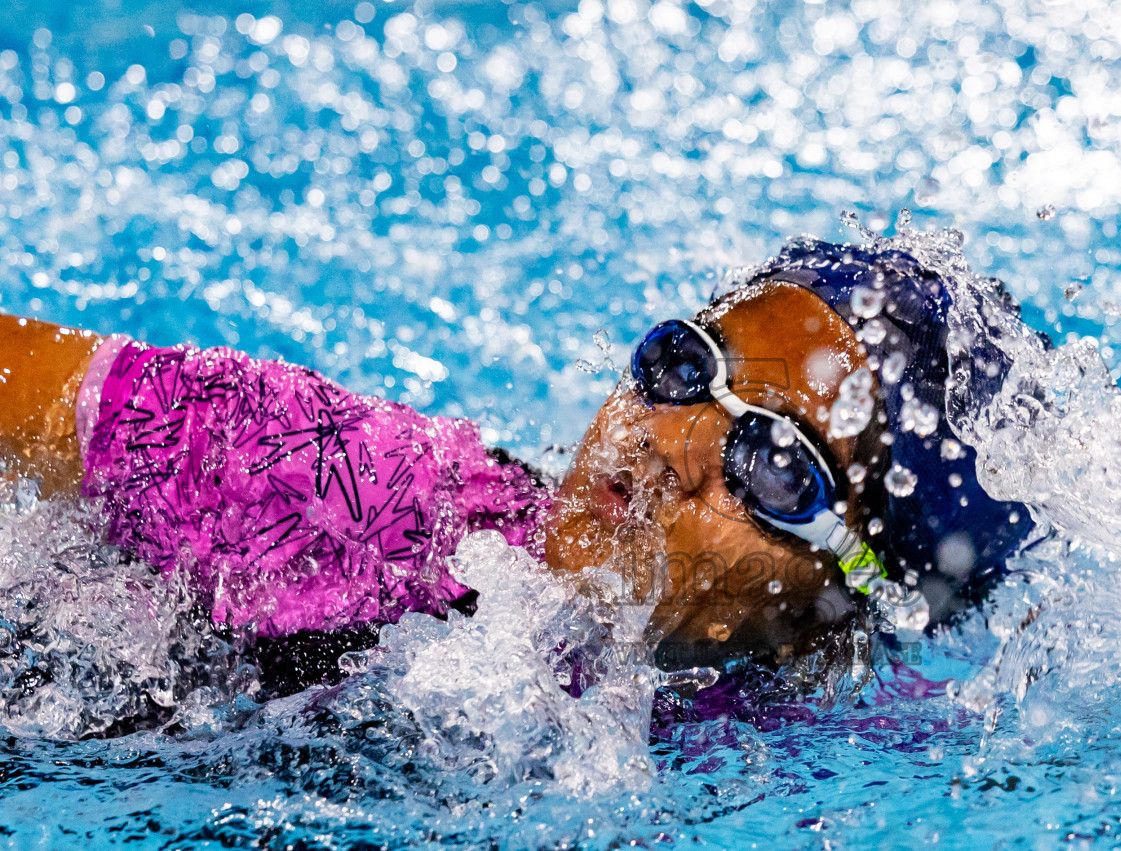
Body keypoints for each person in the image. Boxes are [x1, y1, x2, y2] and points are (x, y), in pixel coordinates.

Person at [0, 234, 1045, 702]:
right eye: (687, 366)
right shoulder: (354, 490)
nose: (671, 442)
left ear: (844, 601)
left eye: (773, 461)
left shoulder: (827, 757)